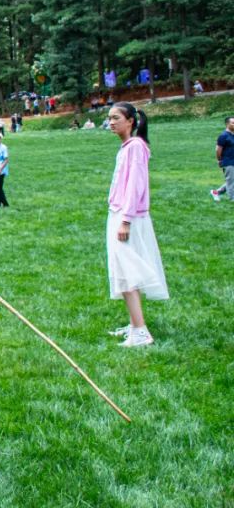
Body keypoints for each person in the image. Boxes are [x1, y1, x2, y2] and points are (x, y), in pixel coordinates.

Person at [106, 102, 167, 347]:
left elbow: (135, 186)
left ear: (130, 120)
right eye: (109, 118)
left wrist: (126, 220)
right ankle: (134, 323)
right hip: (118, 212)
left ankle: (141, 331)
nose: (111, 122)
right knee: (123, 272)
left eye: (116, 118)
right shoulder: (127, 147)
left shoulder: (136, 147)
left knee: (128, 273)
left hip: (127, 216)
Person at [210, 115, 234, 202]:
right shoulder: (223, 136)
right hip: (228, 161)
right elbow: (218, 150)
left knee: (231, 181)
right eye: (233, 123)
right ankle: (232, 199)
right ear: (227, 124)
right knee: (231, 181)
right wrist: (219, 160)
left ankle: (216, 192)